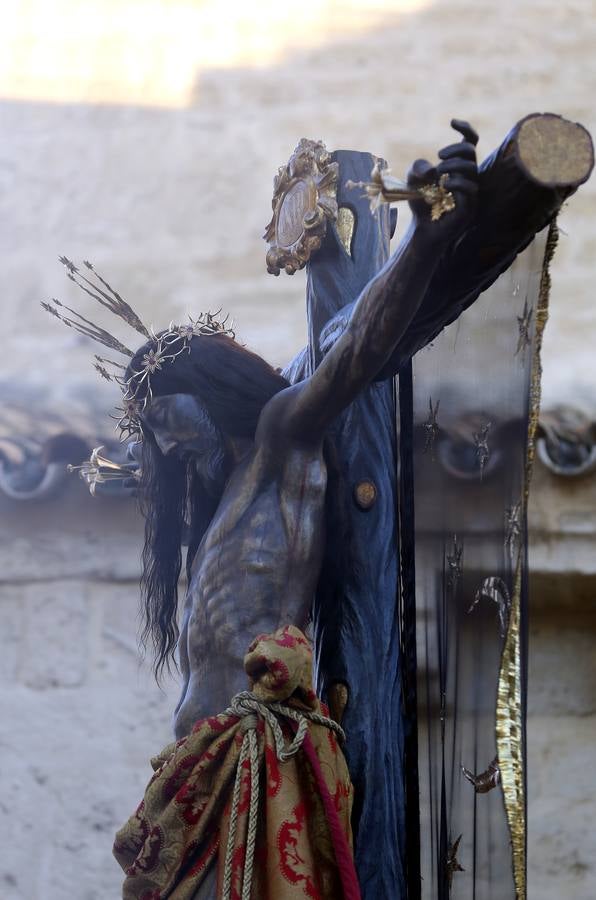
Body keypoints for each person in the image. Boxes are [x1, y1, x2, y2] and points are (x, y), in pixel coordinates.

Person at [127, 122, 480, 739]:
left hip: (257, 758)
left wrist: (426, 241)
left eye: (164, 421)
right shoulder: (221, 497)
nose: (165, 446)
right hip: (197, 764)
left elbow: (355, 353)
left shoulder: (281, 438)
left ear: (207, 387)